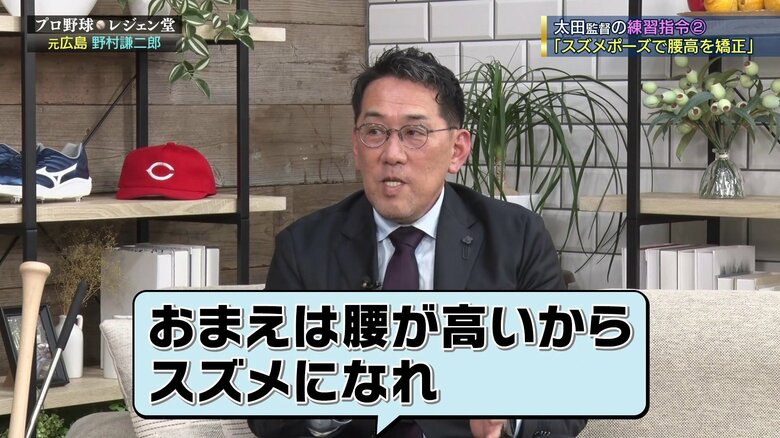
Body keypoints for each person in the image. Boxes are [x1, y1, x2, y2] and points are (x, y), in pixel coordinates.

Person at [248, 48, 585, 438]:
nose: (392, 154)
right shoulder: (303, 247)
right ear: (356, 146)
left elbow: (570, 392)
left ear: (457, 150)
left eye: (414, 133)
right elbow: (265, 408)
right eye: (374, 132)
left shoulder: (518, 237)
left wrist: (506, 420)